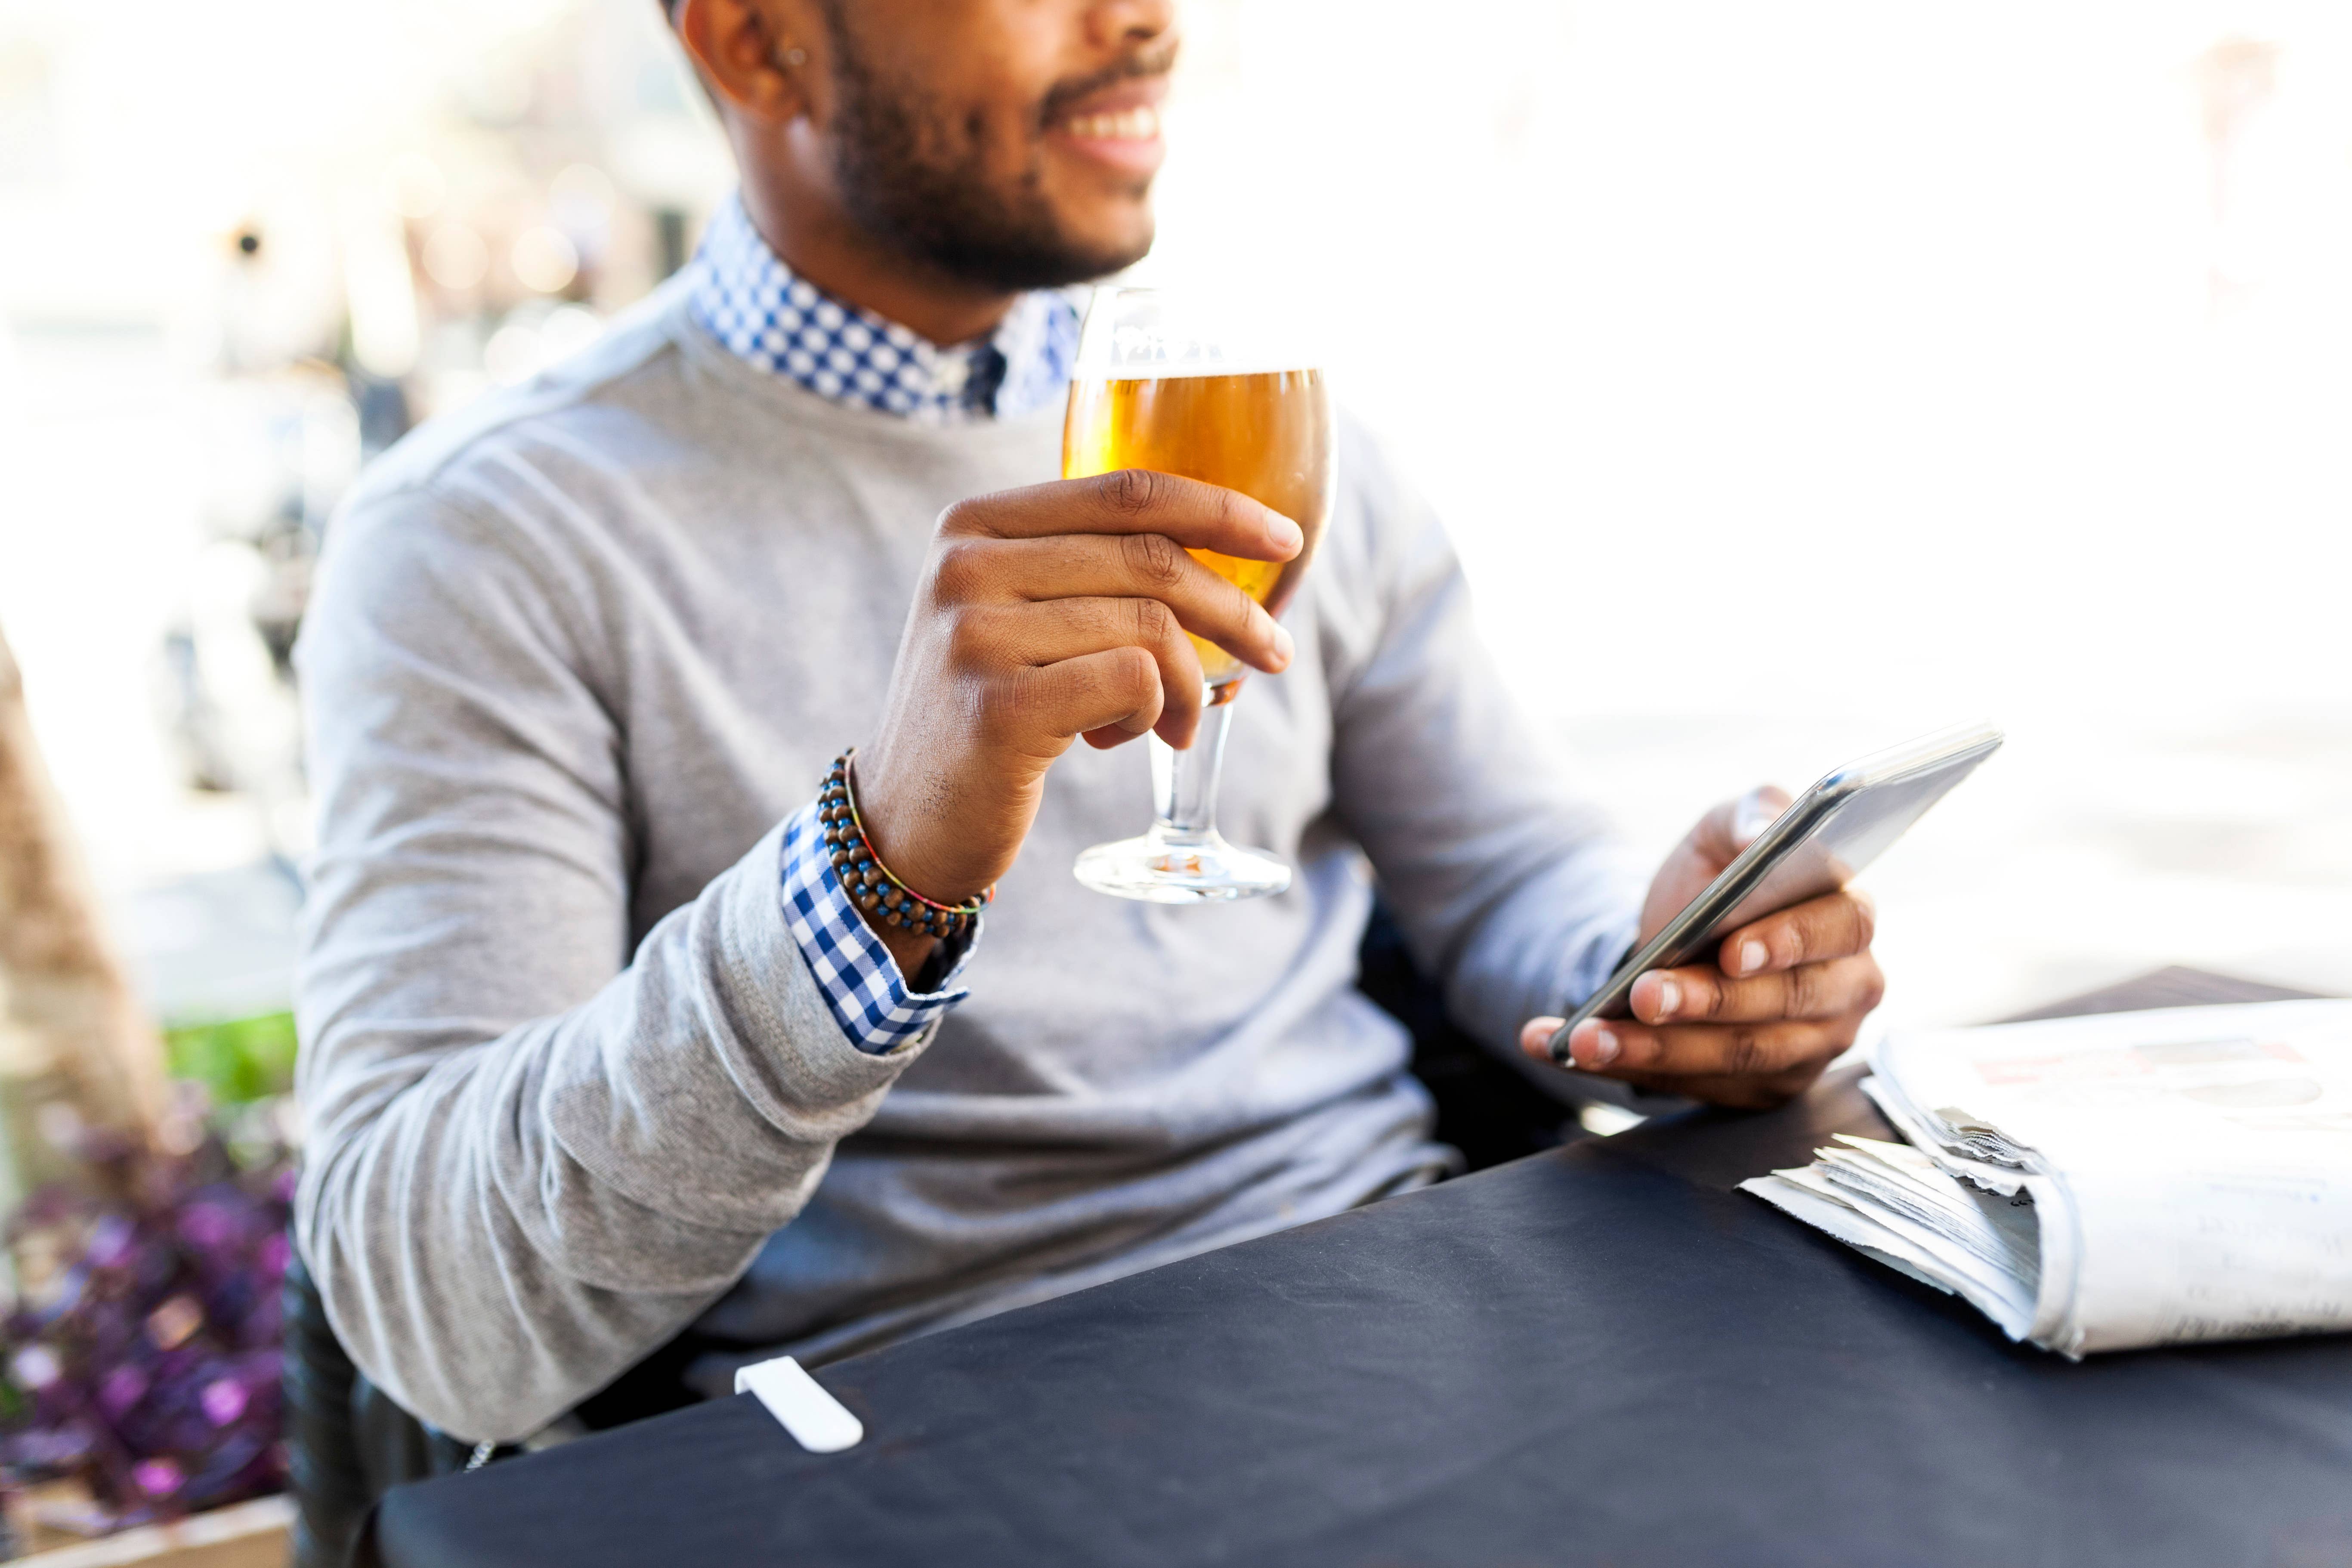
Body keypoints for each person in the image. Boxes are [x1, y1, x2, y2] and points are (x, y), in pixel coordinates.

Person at [293, 0, 1884, 1445]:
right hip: (940, 1421)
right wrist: (869, 875)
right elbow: (440, 1328)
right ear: (757, 42)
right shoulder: (480, 537)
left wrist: (1679, 973)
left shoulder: (1245, 414)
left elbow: (1509, 865)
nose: (1144, 24)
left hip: (1411, 1310)